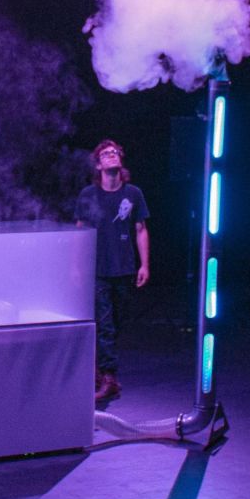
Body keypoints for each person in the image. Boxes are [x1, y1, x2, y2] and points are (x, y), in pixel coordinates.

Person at [76, 139, 149, 403]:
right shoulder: (88, 195)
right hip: (98, 269)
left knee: (116, 322)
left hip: (124, 268)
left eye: (115, 152)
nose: (112, 156)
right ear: (98, 164)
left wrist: (144, 265)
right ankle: (109, 377)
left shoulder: (133, 194)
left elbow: (141, 230)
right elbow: (80, 230)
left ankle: (99, 369)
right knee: (105, 324)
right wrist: (77, 265)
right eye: (106, 154)